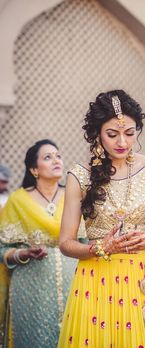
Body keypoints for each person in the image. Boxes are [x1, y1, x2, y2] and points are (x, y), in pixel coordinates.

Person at [58, 90, 145, 347]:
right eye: (112, 134)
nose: (122, 142)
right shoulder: (79, 176)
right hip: (96, 278)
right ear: (97, 133)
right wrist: (100, 247)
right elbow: (65, 243)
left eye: (130, 133)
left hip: (144, 276)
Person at [0, 139, 77, 348]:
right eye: (48, 157)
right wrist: (23, 254)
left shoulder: (74, 197)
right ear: (34, 169)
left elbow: (87, 242)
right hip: (31, 289)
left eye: (58, 155)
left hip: (74, 285)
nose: (56, 160)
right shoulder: (18, 201)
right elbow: (2, 249)